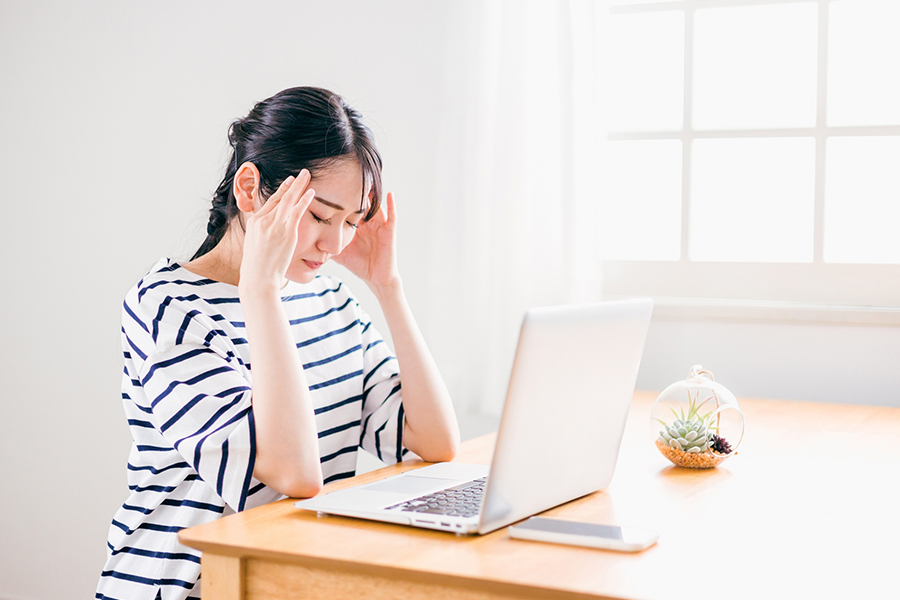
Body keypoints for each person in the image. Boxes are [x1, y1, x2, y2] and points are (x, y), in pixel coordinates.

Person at [96, 86, 459, 600]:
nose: (334, 245)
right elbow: (292, 473)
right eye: (319, 216)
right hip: (185, 587)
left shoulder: (330, 298)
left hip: (284, 583)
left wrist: (387, 288)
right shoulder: (169, 307)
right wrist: (260, 290)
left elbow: (435, 439)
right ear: (250, 189)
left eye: (351, 223)